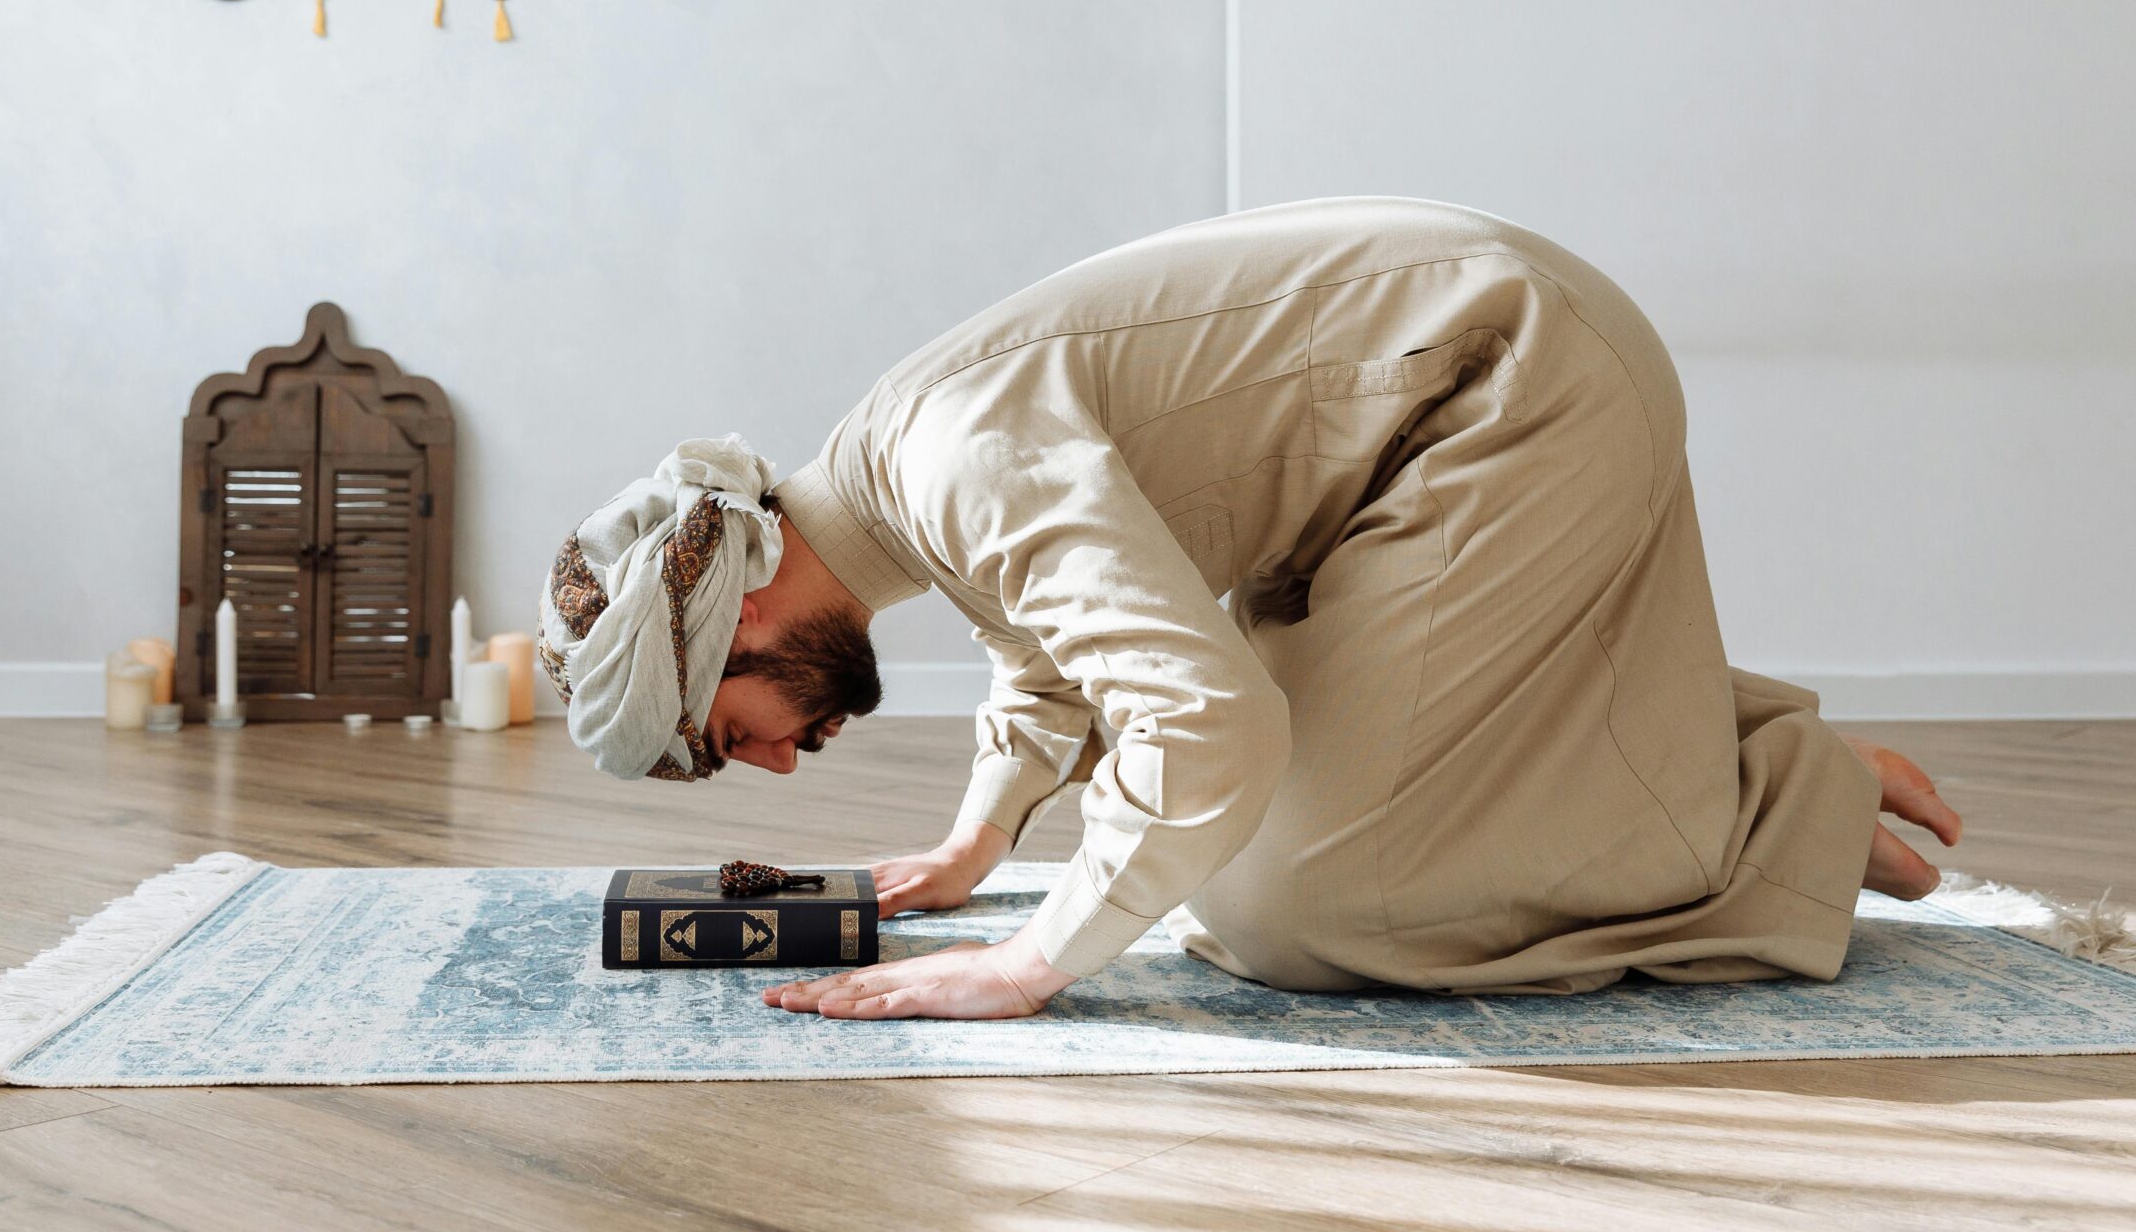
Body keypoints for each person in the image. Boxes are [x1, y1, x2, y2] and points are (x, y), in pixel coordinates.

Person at [536, 198, 1963, 1022]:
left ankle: (1769, 801)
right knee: (1207, 861)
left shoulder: (950, 462)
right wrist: (984, 840)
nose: (781, 763)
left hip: (1513, 394)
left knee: (1294, 905)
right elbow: (1051, 638)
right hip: (1414, 448)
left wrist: (1030, 966)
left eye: (734, 735)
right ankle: (1686, 741)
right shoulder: (898, 478)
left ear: (734, 605)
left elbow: (1204, 722)